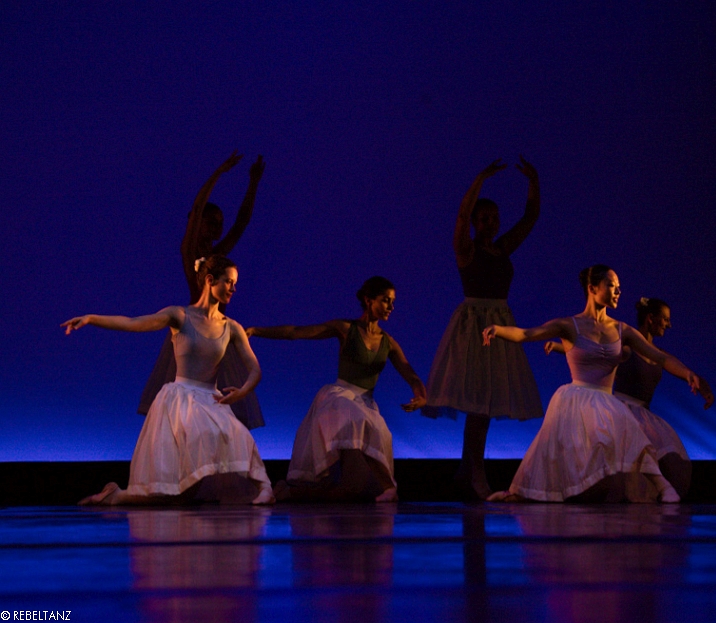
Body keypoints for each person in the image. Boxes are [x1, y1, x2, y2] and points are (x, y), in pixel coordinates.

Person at [483, 265, 713, 503]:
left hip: (606, 400)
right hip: (576, 399)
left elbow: (660, 357)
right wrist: (498, 329)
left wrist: (687, 373)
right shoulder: (569, 325)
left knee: (630, 436)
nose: (618, 292)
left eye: (619, 287)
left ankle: (663, 487)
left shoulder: (622, 330)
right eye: (612, 286)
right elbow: (526, 334)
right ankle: (522, 494)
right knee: (556, 454)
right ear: (592, 289)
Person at [63, 255, 274, 505]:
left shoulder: (231, 327)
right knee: (168, 493)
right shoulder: (180, 316)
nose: (233, 288)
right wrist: (91, 318)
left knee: (238, 436)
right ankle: (115, 495)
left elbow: (255, 369)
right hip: (179, 402)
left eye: (235, 283)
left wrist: (242, 392)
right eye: (228, 282)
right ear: (210, 280)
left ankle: (265, 487)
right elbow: (134, 323)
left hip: (212, 400)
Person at [422, 157, 544, 500]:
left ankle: (467, 469)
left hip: (500, 324)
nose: (491, 223)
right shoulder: (467, 249)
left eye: (494, 218)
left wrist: (533, 182)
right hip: (473, 326)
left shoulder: (502, 248)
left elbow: (530, 218)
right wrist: (480, 179)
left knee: (486, 402)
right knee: (479, 402)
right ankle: (475, 471)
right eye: (484, 218)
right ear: (476, 222)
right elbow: (461, 217)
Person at [247, 276, 426, 502]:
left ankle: (288, 493)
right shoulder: (346, 329)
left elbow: (410, 373)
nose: (391, 306)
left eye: (392, 302)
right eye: (385, 300)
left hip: (365, 404)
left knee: (352, 489)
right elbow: (296, 332)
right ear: (368, 300)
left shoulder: (388, 342)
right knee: (357, 419)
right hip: (340, 400)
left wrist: (420, 395)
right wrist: (256, 330)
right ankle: (389, 487)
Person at [138, 151, 266, 430]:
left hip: (218, 331)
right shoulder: (190, 252)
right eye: (212, 221)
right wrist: (219, 172)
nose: (218, 227)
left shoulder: (218, 256)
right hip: (194, 332)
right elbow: (197, 209)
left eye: (220, 222)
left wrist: (253, 182)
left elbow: (242, 222)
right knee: (186, 409)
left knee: (224, 410)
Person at [544, 297, 713, 498]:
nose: (669, 325)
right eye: (665, 319)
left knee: (662, 459)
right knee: (626, 459)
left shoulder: (658, 353)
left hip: (645, 414)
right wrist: (559, 347)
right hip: (622, 411)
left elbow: (678, 367)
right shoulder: (627, 347)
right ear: (650, 318)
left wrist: (699, 384)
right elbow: (597, 351)